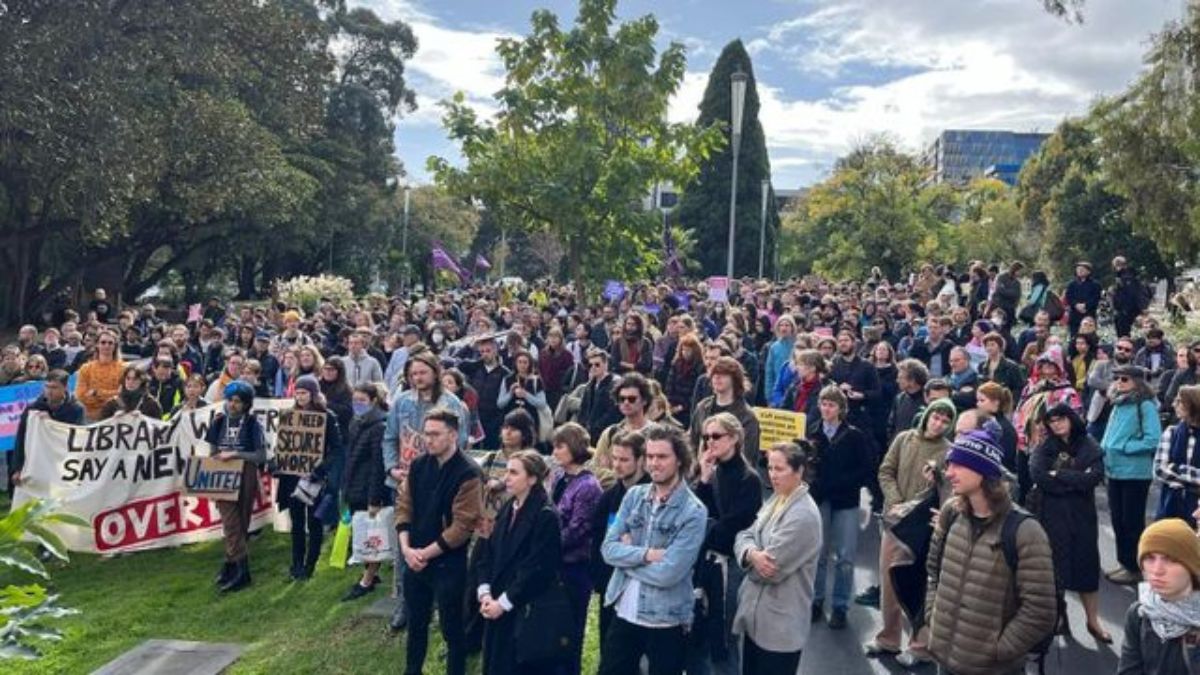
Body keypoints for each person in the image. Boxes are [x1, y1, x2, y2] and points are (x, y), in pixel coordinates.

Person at [924, 426, 1058, 675]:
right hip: (944, 657)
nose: (949, 472)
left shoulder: (1025, 531)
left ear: (983, 471)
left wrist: (998, 650)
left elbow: (1041, 610)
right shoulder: (951, 513)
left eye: (958, 465)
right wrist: (933, 618)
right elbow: (934, 571)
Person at [598, 423, 707, 675]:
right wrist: (647, 555)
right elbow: (608, 550)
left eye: (662, 457)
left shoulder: (694, 511)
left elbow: (670, 573)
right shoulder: (634, 495)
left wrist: (627, 560)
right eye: (649, 456)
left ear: (679, 460)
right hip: (623, 610)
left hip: (665, 619)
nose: (654, 463)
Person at [864, 398, 956, 665]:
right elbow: (885, 471)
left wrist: (935, 480)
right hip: (893, 522)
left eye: (945, 420)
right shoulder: (904, 439)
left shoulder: (948, 451)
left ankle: (919, 646)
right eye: (936, 417)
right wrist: (894, 500)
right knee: (889, 583)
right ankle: (888, 638)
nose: (938, 423)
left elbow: (946, 493)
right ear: (927, 415)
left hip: (920, 529)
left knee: (918, 588)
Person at [396, 407, 483, 675]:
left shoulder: (468, 472)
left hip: (448, 561)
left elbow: (462, 526)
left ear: (453, 435)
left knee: (452, 629)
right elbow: (404, 505)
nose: (429, 439)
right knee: (416, 624)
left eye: (435, 434)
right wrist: (406, 549)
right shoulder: (419, 465)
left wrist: (424, 554)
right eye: (426, 434)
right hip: (415, 556)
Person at [732, 441, 822, 675]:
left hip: (780, 629)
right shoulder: (777, 498)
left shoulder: (803, 516)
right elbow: (744, 533)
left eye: (779, 469)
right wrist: (752, 553)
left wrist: (746, 559)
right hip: (756, 621)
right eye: (770, 468)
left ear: (799, 470)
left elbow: (770, 572)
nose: (772, 475)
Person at [476, 450, 564, 675]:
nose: (507, 478)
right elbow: (490, 550)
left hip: (524, 609)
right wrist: (485, 592)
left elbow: (537, 569)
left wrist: (503, 603)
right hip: (496, 602)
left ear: (532, 479)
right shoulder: (508, 507)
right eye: (507, 472)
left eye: (514, 473)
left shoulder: (545, 515)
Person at [689, 413, 764, 675]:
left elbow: (731, 527)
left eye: (716, 436)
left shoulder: (749, 479)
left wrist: (703, 532)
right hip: (706, 562)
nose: (710, 442)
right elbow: (697, 513)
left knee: (725, 635)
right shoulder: (713, 471)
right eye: (706, 437)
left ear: (734, 438)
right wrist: (705, 480)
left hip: (730, 565)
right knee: (699, 631)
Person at [1029, 403, 1110, 642]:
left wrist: (1061, 475)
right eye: (1052, 421)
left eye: (1061, 419)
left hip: (1082, 516)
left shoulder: (1088, 444)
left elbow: (1094, 477)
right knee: (1055, 569)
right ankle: (1058, 617)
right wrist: (1075, 480)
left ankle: (1093, 621)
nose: (1057, 424)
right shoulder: (1045, 446)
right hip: (1051, 515)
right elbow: (1039, 476)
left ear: (1071, 419)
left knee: (1087, 567)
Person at [807, 385, 872, 629]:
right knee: (819, 553)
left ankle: (840, 605)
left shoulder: (854, 435)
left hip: (845, 500)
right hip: (821, 499)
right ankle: (816, 599)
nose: (826, 408)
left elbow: (865, 468)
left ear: (841, 409)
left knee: (845, 556)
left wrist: (841, 483)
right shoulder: (813, 433)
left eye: (831, 404)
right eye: (823, 403)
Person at [274, 376, 342, 580]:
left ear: (313, 394)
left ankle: (310, 565)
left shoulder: (327, 416)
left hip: (315, 479)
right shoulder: (290, 416)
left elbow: (337, 449)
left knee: (314, 522)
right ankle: (296, 563)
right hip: (292, 478)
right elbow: (283, 445)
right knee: (296, 522)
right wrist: (279, 463)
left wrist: (318, 470)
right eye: (297, 392)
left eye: (304, 392)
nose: (300, 396)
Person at [548, 423, 602, 675]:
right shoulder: (559, 477)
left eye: (560, 446)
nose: (555, 452)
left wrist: (544, 545)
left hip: (574, 568)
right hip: (553, 564)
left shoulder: (588, 486)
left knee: (570, 631)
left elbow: (578, 529)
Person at [1102, 364, 1163, 585]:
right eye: (1117, 378)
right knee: (1118, 519)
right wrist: (1104, 451)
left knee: (1132, 521)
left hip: (1135, 473)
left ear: (1137, 381)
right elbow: (1109, 435)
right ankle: (1125, 563)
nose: (1119, 382)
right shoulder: (1118, 403)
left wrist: (1126, 447)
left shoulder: (1145, 405)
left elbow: (1153, 438)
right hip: (1113, 471)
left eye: (1124, 379)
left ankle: (1136, 567)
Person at [204, 381, 267, 593]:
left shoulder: (252, 424)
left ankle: (231, 565)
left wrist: (236, 454)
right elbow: (212, 452)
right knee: (230, 523)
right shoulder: (218, 422)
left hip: (246, 473)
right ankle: (242, 571)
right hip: (223, 475)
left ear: (246, 404)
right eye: (230, 400)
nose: (232, 405)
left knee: (241, 522)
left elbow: (260, 455)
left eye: (238, 401)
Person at [1117, 518, 1200, 674]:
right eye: (1149, 558)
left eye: (1171, 559)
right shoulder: (1140, 613)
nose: (1157, 570)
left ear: (1191, 566)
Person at [589, 429, 650, 643]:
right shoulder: (609, 497)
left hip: (642, 587)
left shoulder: (653, 494)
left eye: (624, 459)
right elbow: (597, 537)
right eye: (614, 458)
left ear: (641, 460)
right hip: (609, 582)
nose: (616, 465)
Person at [340, 383, 389, 601]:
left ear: (374, 401)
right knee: (363, 533)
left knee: (373, 536)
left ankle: (368, 579)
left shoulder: (379, 426)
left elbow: (378, 465)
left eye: (362, 400)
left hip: (368, 489)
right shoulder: (356, 422)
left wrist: (374, 498)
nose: (357, 404)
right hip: (354, 485)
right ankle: (370, 572)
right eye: (355, 400)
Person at [10, 369, 84, 489]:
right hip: (38, 462)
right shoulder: (33, 409)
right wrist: (18, 468)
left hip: (63, 464)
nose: (49, 391)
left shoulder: (76, 409)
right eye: (47, 387)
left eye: (54, 387)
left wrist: (52, 422)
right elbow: (21, 438)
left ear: (65, 387)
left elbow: (76, 437)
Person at [689, 356, 762, 468]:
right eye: (714, 374)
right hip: (701, 475)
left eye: (723, 374)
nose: (717, 378)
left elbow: (748, 457)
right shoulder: (702, 408)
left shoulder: (747, 417)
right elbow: (692, 442)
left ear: (735, 379)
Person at [1155, 385, 1200, 526]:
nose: (1175, 404)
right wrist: (1193, 481)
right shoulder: (1171, 432)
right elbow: (1159, 470)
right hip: (1170, 506)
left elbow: (1169, 468)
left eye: (1180, 401)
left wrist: (1177, 469)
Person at [458, 335, 511, 449]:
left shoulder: (505, 373)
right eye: (482, 351)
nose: (485, 354)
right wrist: (470, 348)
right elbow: (459, 364)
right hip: (475, 417)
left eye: (488, 350)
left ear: (495, 350)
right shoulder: (476, 368)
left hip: (494, 418)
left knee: (491, 448)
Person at [75, 329, 125, 421]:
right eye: (103, 342)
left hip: (116, 417)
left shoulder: (124, 368)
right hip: (90, 418)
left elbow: (123, 395)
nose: (107, 345)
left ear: (115, 346)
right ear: (97, 345)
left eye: (110, 343)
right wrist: (110, 395)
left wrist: (96, 393)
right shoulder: (86, 368)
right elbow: (81, 396)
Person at [579, 347, 623, 444]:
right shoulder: (590, 385)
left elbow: (614, 412)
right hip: (589, 434)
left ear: (606, 364)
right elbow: (583, 409)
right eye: (590, 365)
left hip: (606, 434)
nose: (593, 367)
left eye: (597, 364)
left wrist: (596, 426)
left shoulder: (614, 384)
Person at [99, 364, 164, 419]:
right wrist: (113, 419)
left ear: (142, 381)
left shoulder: (152, 404)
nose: (130, 382)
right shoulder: (111, 404)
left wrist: (144, 418)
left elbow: (160, 428)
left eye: (135, 379)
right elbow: (99, 427)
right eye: (128, 378)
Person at [1066, 261, 1103, 336]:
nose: (1079, 271)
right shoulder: (1072, 284)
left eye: (1082, 269)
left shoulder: (1095, 284)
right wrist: (1076, 305)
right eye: (1078, 269)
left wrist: (1085, 305)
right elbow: (1069, 297)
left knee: (1089, 336)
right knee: (1074, 336)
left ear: (1088, 271)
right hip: (1074, 315)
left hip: (1089, 313)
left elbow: (1096, 298)